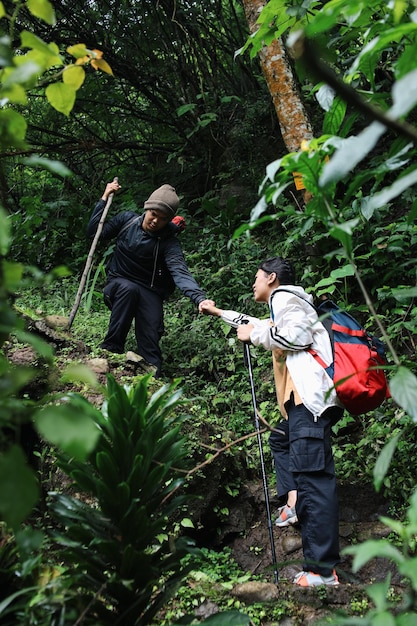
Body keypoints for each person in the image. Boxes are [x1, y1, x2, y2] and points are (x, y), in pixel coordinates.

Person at [201, 257, 343, 587]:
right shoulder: (284, 305)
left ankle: (323, 571)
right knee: (280, 439)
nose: (253, 283)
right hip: (302, 407)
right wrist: (220, 313)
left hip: (309, 405)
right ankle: (293, 502)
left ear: (272, 278)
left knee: (314, 481)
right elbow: (256, 325)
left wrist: (253, 337)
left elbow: (296, 337)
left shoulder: (286, 298)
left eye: (257, 277)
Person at [87, 180, 214, 376]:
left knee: (151, 342)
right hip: (119, 284)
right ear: (147, 209)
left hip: (149, 290)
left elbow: (180, 272)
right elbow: (94, 233)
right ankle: (110, 351)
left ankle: (152, 379)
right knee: (128, 290)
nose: (155, 221)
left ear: (168, 220)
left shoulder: (169, 243)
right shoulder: (127, 221)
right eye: (153, 214)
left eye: (162, 219)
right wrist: (104, 198)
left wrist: (199, 298)